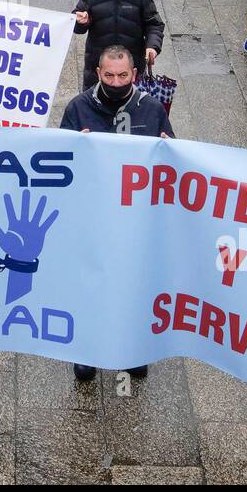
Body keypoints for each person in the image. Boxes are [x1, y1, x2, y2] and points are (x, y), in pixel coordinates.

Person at [61, 45, 172, 382]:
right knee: (92, 286)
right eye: (109, 75)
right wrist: (73, 149)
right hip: (93, 218)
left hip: (135, 221)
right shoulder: (78, 108)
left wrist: (170, 147)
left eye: (123, 75)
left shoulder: (151, 109)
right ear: (98, 73)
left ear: (134, 75)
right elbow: (58, 165)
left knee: (133, 287)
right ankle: (87, 350)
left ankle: (131, 350)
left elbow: (172, 160)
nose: (116, 81)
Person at [72, 0, 164, 89]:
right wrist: (81, 21)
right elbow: (76, 21)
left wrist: (152, 46)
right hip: (98, 64)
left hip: (131, 63)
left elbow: (153, 23)